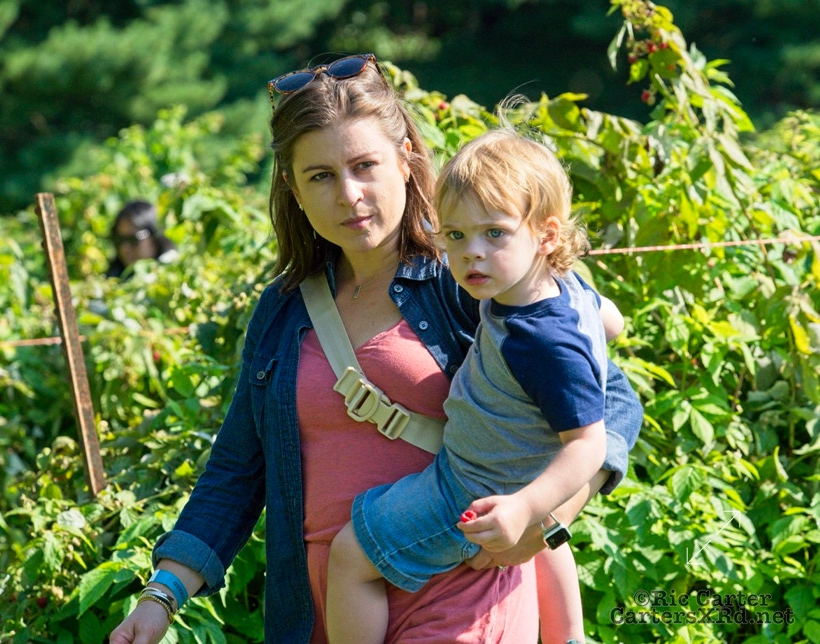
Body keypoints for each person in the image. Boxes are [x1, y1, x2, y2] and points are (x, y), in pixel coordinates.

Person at [109, 53, 642, 644]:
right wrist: (163, 594)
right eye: (320, 176)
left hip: (460, 598)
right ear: (293, 189)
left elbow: (610, 400)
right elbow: (237, 468)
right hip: (322, 611)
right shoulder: (283, 311)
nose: (349, 194)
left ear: (406, 160)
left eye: (365, 165)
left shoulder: (471, 277)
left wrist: (547, 519)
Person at [325, 125, 621, 643]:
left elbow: (589, 444)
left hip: (469, 489)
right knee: (546, 541)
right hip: (510, 473)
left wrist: (523, 507)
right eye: (456, 236)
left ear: (547, 235)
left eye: (495, 233)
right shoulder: (560, 288)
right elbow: (612, 321)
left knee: (350, 556)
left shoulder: (538, 339)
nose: (471, 254)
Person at [106, 200, 177, 278]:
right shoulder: (113, 278)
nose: (124, 249)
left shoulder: (174, 272)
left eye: (133, 239)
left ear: (155, 236)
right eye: (119, 240)